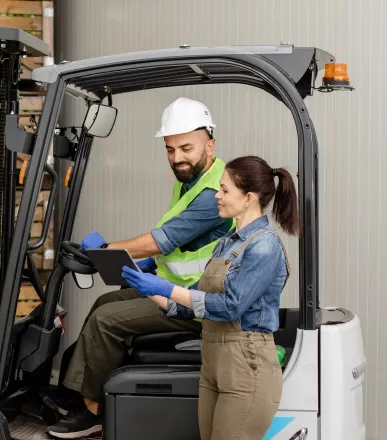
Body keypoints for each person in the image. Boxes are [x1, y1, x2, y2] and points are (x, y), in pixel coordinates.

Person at [47, 97, 234, 439]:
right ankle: (72, 394)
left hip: (194, 303)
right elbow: (183, 246)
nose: (177, 157)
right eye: (170, 149)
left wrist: (107, 248)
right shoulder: (191, 180)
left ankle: (92, 411)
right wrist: (144, 263)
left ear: (210, 144)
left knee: (108, 321)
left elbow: (162, 240)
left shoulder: (213, 192)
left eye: (186, 148)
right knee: (105, 302)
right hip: (177, 285)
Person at [121, 156, 297, 440]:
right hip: (214, 360)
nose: (217, 195)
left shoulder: (264, 246)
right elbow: (196, 308)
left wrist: (166, 288)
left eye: (225, 190)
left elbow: (230, 307)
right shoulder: (228, 243)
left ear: (249, 198)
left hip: (246, 365)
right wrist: (149, 288)